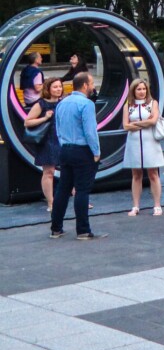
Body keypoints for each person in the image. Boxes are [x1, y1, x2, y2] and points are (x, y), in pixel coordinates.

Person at [50, 72, 105, 240]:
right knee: (82, 190)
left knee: (63, 189)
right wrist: (96, 152)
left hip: (65, 149)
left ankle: (56, 229)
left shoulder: (62, 103)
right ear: (85, 85)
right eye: (92, 83)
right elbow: (90, 131)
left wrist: (64, 144)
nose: (93, 86)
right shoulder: (87, 104)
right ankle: (83, 230)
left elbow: (58, 129)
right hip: (82, 150)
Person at [122, 79, 164, 217]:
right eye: (139, 89)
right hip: (134, 143)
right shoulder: (128, 105)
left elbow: (153, 121)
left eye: (144, 89)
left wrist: (137, 123)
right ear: (133, 91)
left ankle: (157, 205)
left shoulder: (153, 103)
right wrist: (144, 123)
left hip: (150, 141)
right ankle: (135, 206)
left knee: (153, 173)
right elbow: (126, 126)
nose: (142, 92)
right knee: (136, 174)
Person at [24, 77, 64, 212]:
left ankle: (80, 199)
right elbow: (27, 122)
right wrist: (45, 118)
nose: (58, 89)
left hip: (62, 139)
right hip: (47, 140)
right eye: (55, 87)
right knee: (49, 172)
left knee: (70, 169)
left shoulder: (63, 103)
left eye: (60, 86)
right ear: (48, 89)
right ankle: (51, 203)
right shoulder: (40, 104)